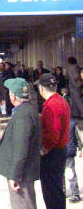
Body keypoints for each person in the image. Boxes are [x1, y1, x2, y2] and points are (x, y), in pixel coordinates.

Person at [0, 78, 41, 209]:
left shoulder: (23, 116)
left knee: (22, 204)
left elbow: (21, 148)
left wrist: (14, 175)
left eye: (10, 92)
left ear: (14, 96)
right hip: (24, 172)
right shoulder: (28, 110)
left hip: (22, 175)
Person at [35, 73, 70, 209]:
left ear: (42, 89)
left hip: (52, 154)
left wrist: (44, 150)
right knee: (57, 190)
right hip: (61, 151)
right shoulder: (62, 101)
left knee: (50, 193)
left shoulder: (50, 106)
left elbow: (52, 134)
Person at [61, 88, 82, 203]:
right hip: (62, 150)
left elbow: (77, 136)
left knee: (69, 172)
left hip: (68, 150)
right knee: (63, 173)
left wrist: (80, 148)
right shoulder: (62, 120)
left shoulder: (71, 121)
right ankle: (63, 191)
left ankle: (74, 193)